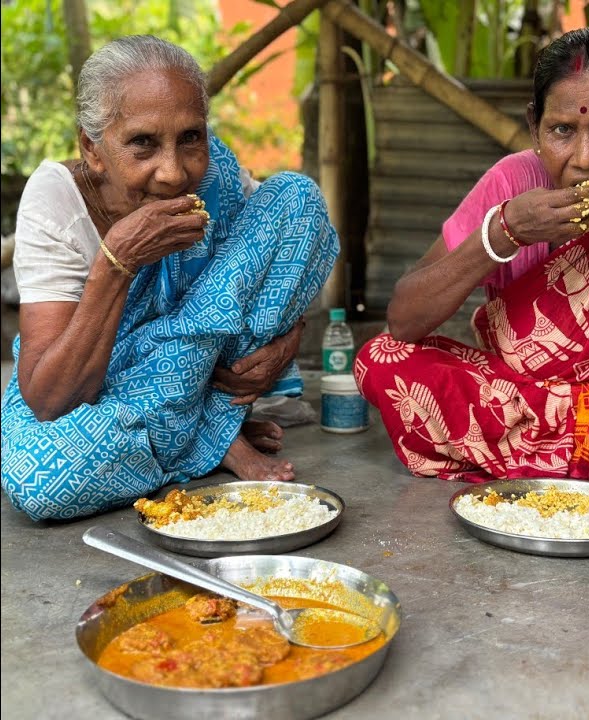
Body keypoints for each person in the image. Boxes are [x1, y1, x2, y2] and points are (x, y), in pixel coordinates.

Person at [354, 28, 589, 502]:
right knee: (384, 361)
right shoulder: (514, 183)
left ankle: (564, 457)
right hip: (536, 406)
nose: (586, 159)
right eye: (562, 131)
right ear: (535, 127)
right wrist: (504, 231)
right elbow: (404, 320)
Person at [1, 35, 338, 521]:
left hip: (187, 381)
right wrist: (117, 261)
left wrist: (290, 339)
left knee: (299, 200)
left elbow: (278, 260)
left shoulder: (215, 172)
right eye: (142, 143)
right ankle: (208, 435)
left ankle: (197, 424)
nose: (173, 172)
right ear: (92, 148)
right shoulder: (55, 201)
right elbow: (49, 397)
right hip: (106, 385)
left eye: (190, 138)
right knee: (41, 480)